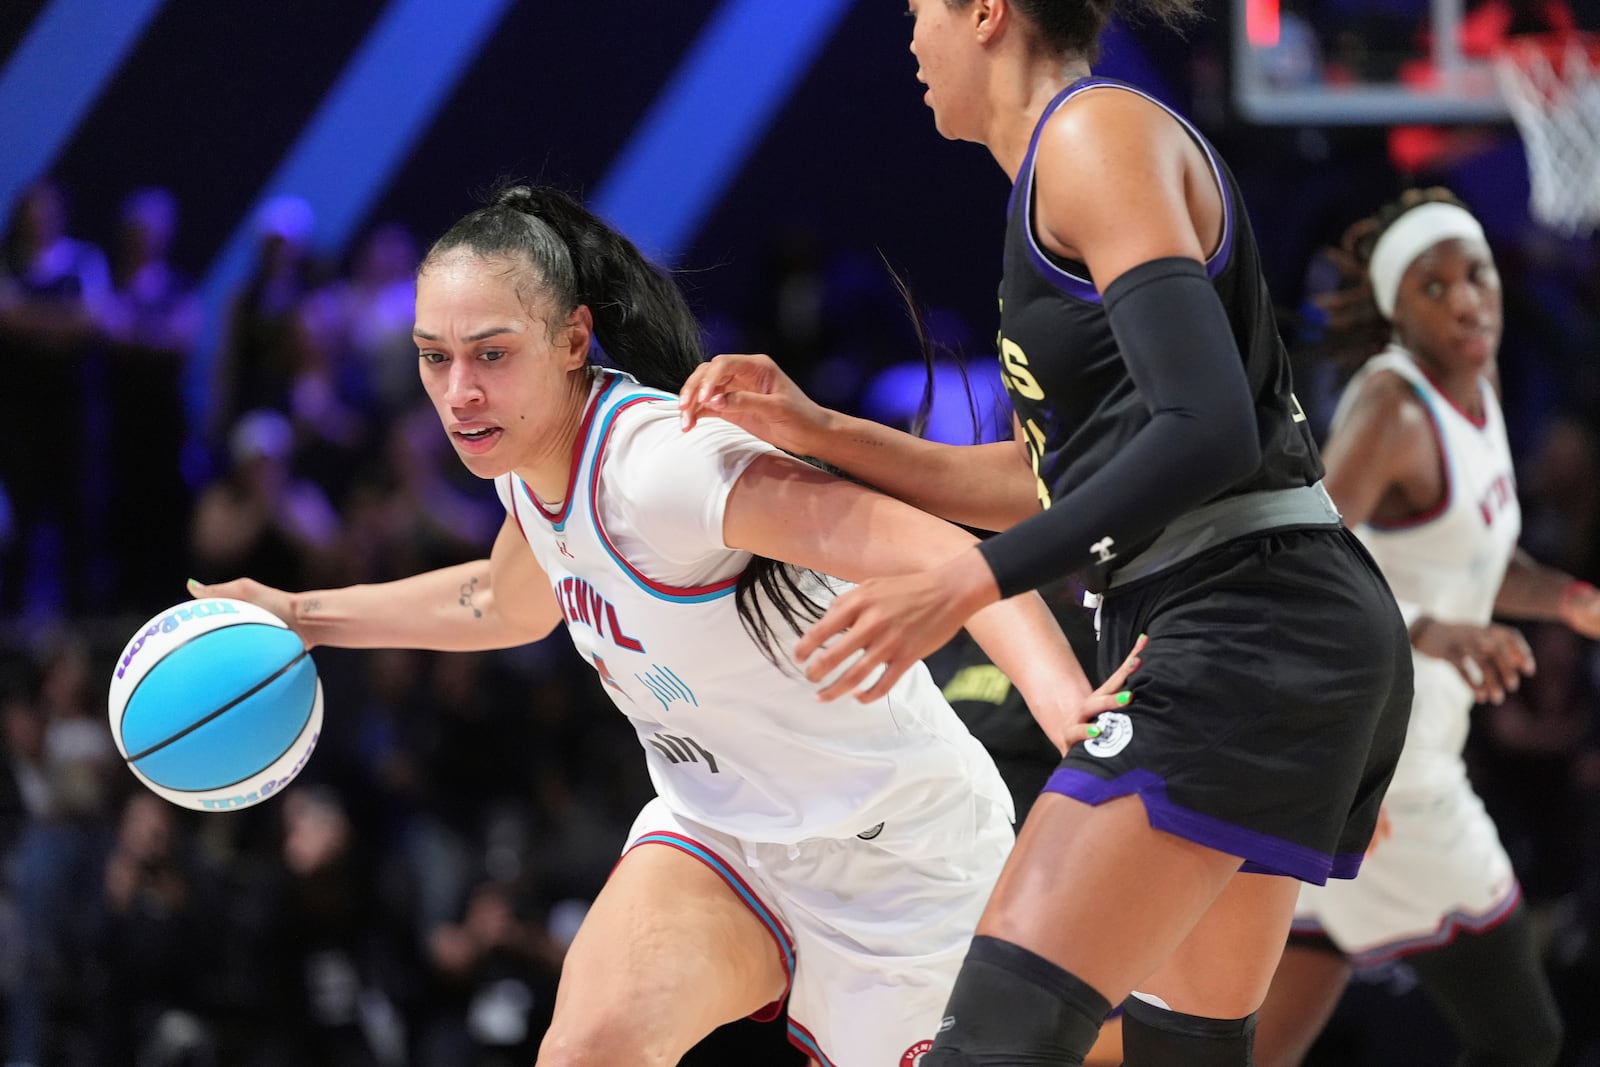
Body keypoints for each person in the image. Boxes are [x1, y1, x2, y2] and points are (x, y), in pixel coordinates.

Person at [190, 182, 1140, 1067]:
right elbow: (501, 598)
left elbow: (940, 549)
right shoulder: (525, 461)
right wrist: (299, 616)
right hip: (718, 834)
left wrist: (1066, 706)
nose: (458, 393)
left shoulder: (660, 467)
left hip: (899, 854)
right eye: (434, 358)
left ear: (572, 340)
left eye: (490, 353)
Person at [677, 2, 1415, 1063]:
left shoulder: (1090, 137)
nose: (911, 42)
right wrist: (821, 429)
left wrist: (965, 582)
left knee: (993, 1040)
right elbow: (1054, 481)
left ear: (985, 13)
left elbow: (1203, 426)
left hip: (1245, 617)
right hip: (1264, 614)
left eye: (918, 12)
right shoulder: (1069, 165)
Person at [1253, 189, 1594, 1067]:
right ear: (1398, 312)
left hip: (1349, 764)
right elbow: (1302, 570)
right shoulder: (1395, 413)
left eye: (1474, 275)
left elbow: (1472, 563)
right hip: (1385, 773)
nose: (1464, 300)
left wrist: (1568, 601)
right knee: (1526, 1038)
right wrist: (1437, 633)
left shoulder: (1475, 385)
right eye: (1432, 289)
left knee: (1258, 1046)